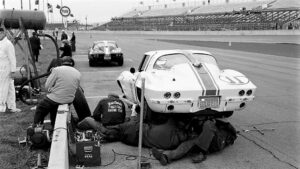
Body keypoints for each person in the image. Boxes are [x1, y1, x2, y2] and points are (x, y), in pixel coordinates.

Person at [151, 118, 237, 166]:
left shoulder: (222, 130)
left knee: (208, 125)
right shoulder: (208, 124)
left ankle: (202, 153)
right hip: (205, 138)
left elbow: (212, 129)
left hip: (214, 142)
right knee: (185, 146)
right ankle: (165, 157)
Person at [33, 56, 81, 127]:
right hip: (69, 100)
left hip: (56, 98)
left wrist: (52, 90)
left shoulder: (56, 70)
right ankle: (54, 125)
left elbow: (47, 86)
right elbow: (76, 87)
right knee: (54, 109)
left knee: (41, 108)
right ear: (71, 64)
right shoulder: (78, 73)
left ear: (62, 63)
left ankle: (36, 125)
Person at [0, 28, 21, 113]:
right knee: (9, 88)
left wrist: (13, 71)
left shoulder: (8, 44)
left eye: (0, 33)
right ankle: (10, 107)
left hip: (6, 69)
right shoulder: (1, 43)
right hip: (1, 68)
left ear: (3, 33)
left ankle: (4, 106)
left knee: (4, 87)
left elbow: (12, 59)